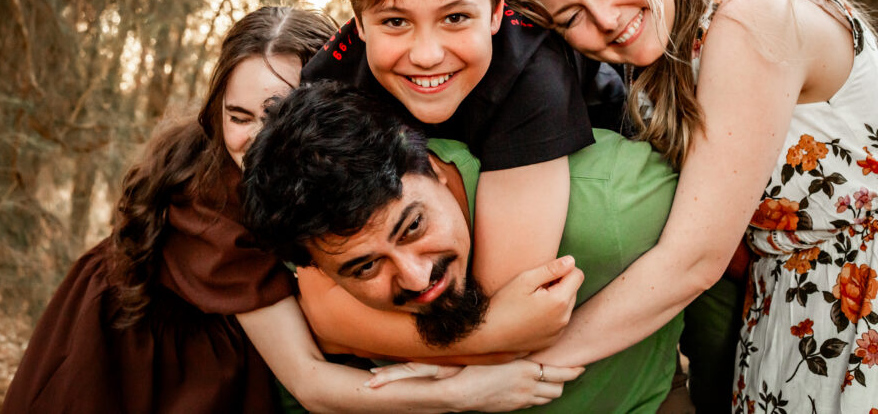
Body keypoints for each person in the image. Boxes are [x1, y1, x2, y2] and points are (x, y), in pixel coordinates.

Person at [3, 6, 568, 414]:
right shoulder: (215, 205)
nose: (253, 140)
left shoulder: (367, 163)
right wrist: (464, 387)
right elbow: (311, 377)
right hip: (151, 357)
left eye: (278, 114)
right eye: (238, 115)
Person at [506, 0, 878, 412]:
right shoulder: (661, 56)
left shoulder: (751, 16)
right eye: (571, 18)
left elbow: (692, 260)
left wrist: (513, 373)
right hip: (791, 315)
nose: (607, 19)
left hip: (862, 304)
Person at [300, 0, 627, 356]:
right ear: (359, 22)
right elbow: (322, 307)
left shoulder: (534, 72)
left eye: (455, 18)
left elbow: (506, 300)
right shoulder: (329, 85)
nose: (427, 54)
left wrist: (365, 333)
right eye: (395, 21)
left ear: (496, 11)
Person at [243, 80, 684, 412]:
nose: (417, 278)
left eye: (413, 226)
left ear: (432, 167)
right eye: (365, 268)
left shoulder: (612, 203)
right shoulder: (304, 245)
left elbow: (715, 265)